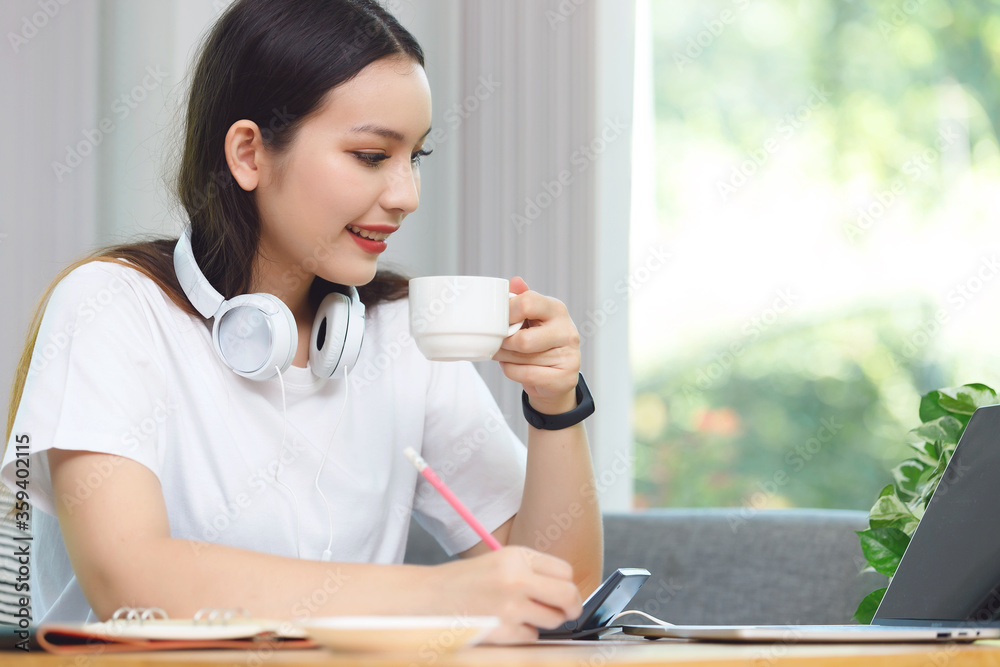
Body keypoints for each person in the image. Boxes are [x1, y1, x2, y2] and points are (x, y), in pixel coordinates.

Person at [0, 0, 602, 644]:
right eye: (372, 155)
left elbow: (558, 594)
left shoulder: (400, 332)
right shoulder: (111, 306)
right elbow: (132, 580)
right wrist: (442, 594)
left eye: (416, 158)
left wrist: (554, 403)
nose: (406, 196)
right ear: (249, 154)